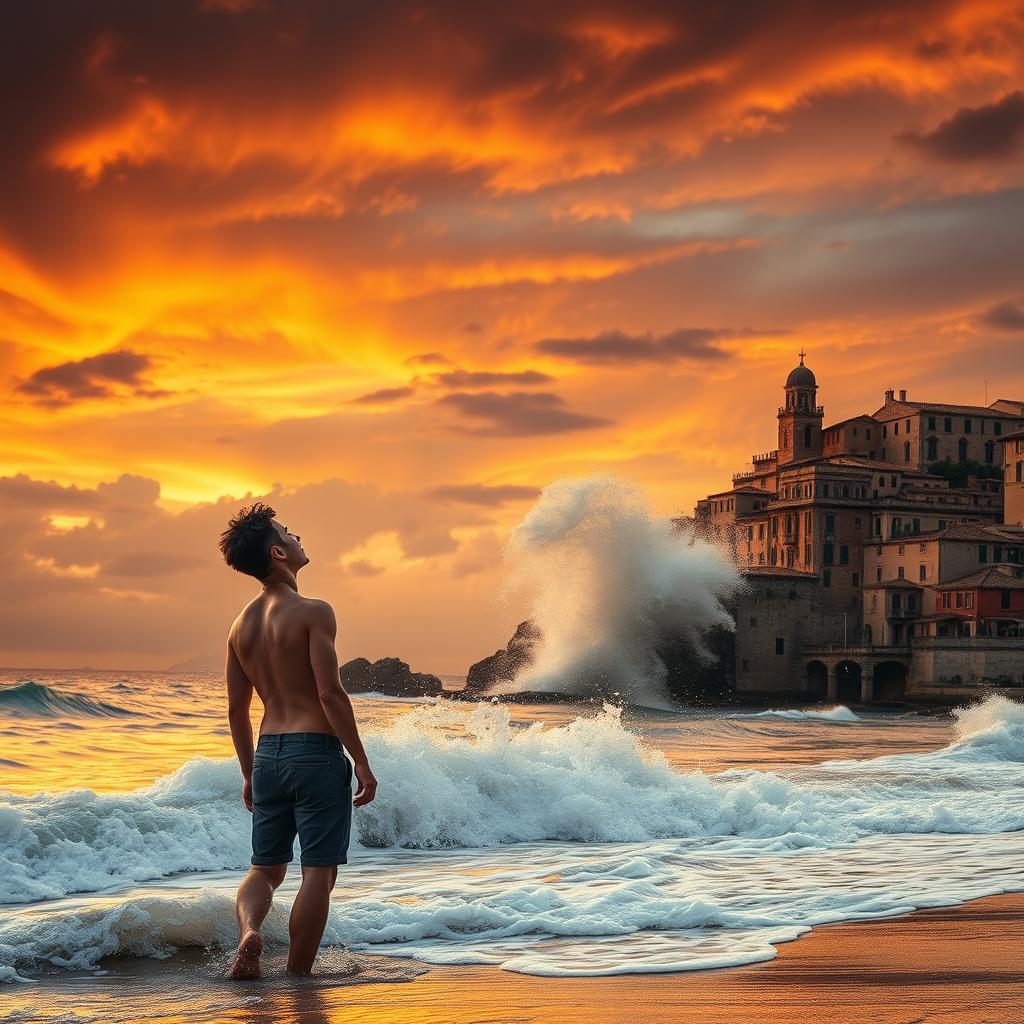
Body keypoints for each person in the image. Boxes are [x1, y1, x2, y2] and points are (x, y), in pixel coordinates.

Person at [218, 502, 377, 979]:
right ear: (277, 552)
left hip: (268, 755)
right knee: (318, 873)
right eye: (288, 533)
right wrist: (362, 763)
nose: (296, 536)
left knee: (265, 869)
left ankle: (249, 932)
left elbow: (235, 711)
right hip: (315, 754)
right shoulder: (313, 612)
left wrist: (249, 772)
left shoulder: (238, 627)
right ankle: (297, 976)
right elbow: (330, 693)